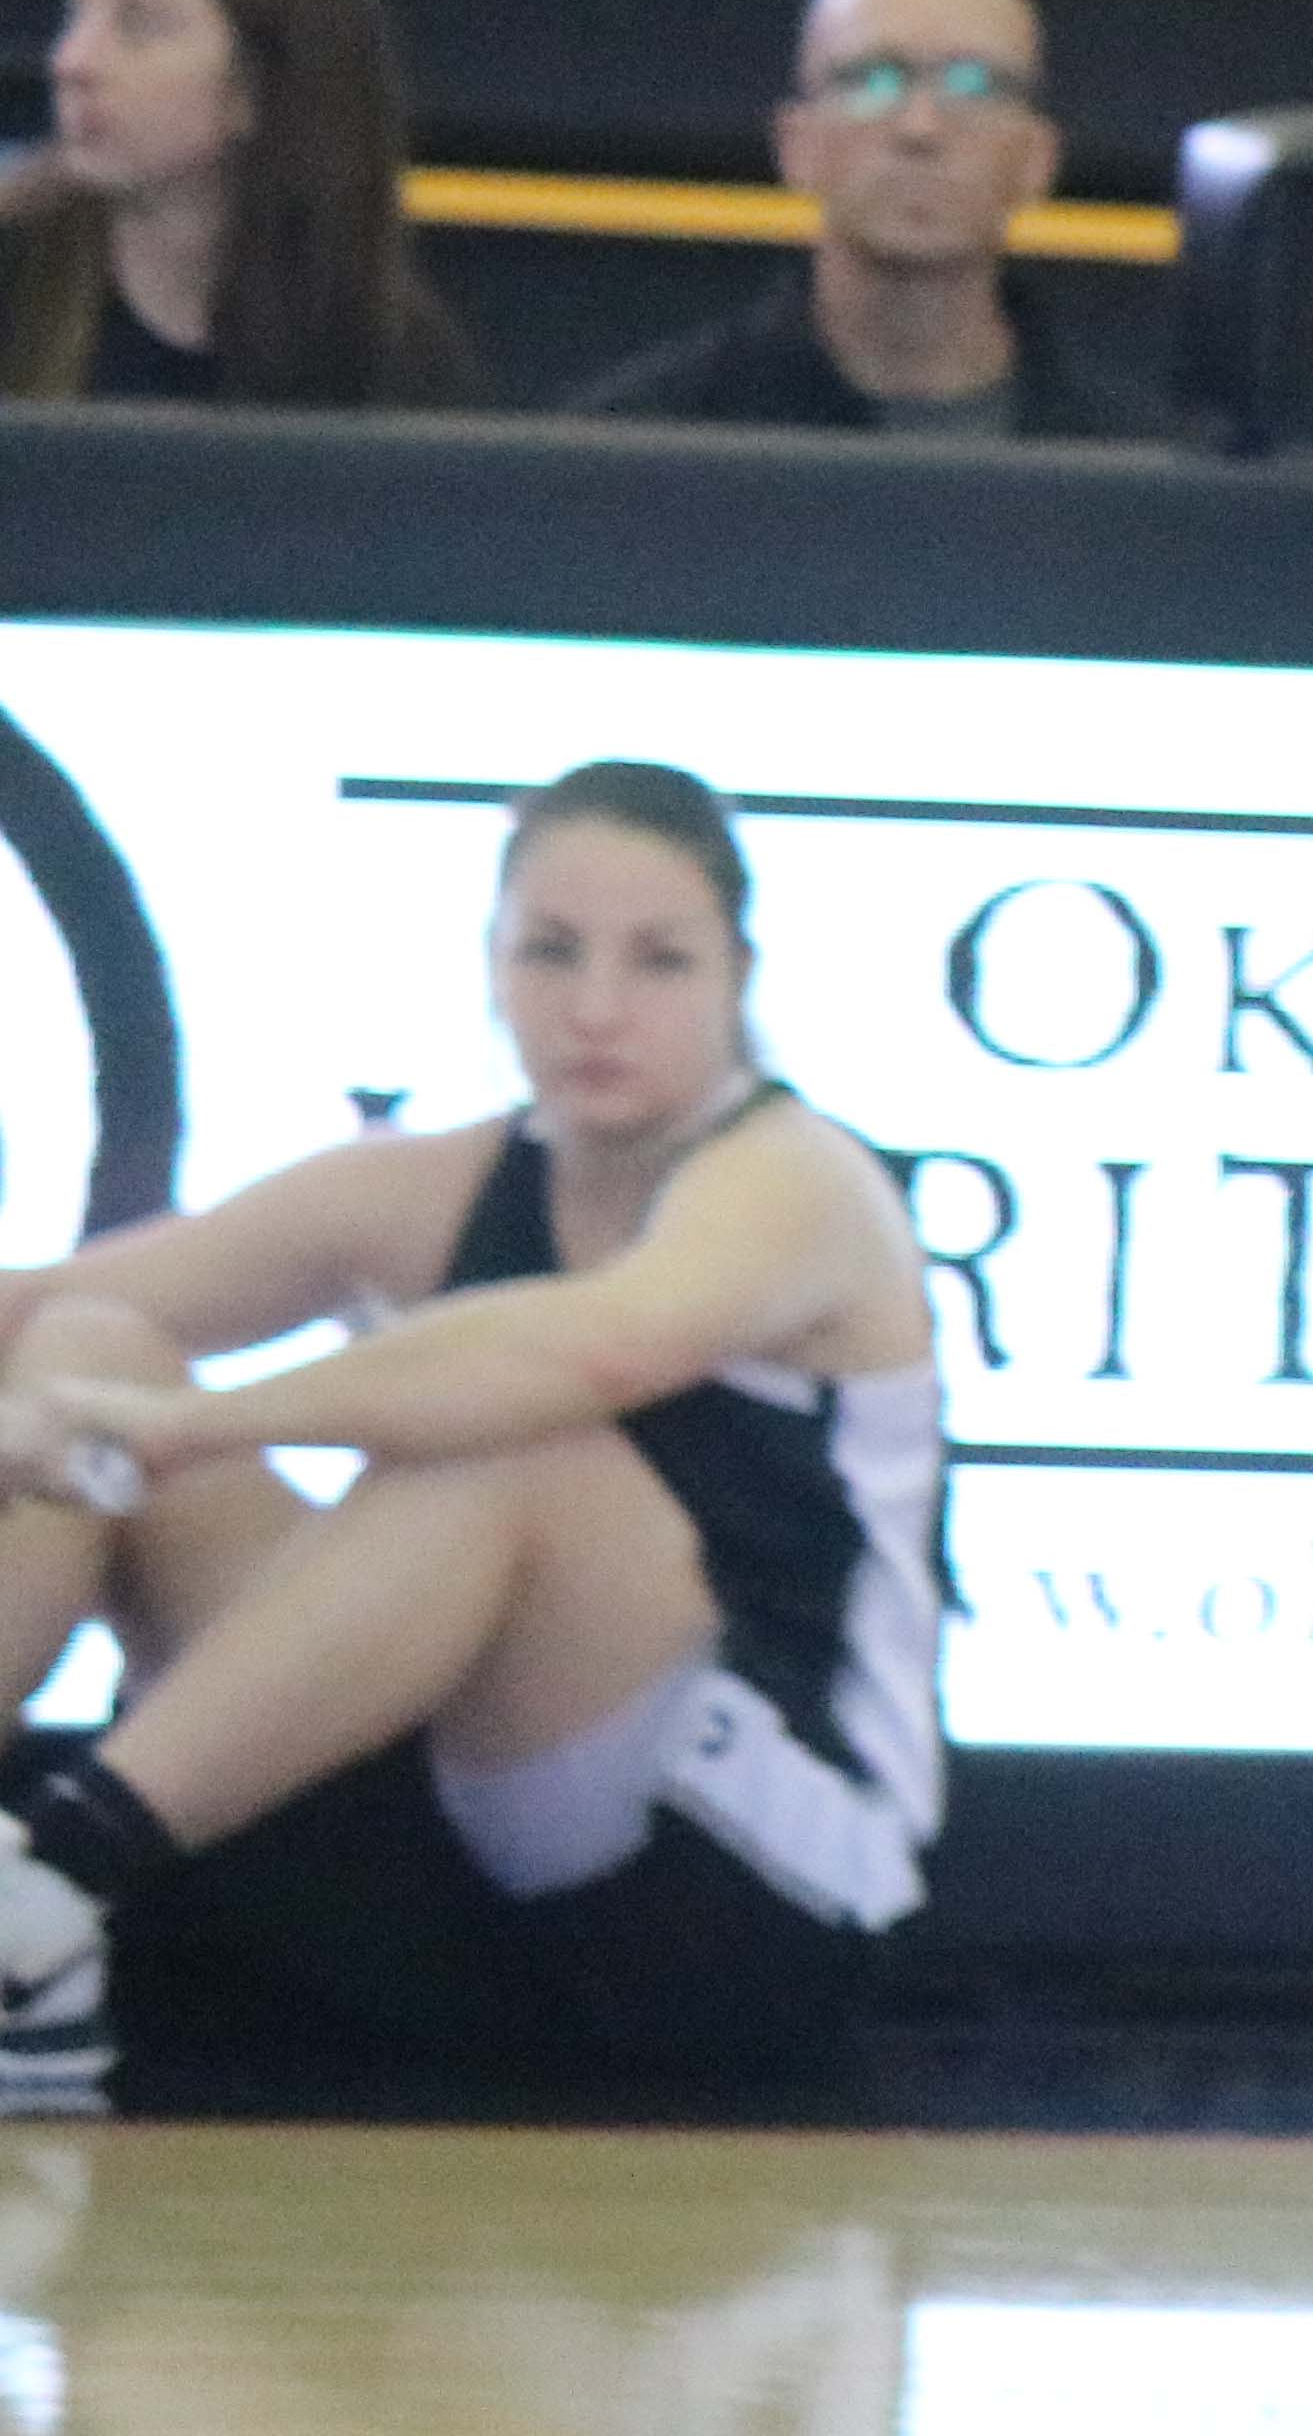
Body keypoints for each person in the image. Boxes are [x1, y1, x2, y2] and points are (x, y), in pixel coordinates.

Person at [0, 760, 945, 2111]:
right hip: (445, 1873)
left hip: (743, 1906)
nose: (595, 1007)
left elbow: (592, 1352)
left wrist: (191, 1425)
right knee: (84, 1343)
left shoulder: (801, 1184)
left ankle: (42, 1886)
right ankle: (30, 1955)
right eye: (551, 952)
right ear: (493, 966)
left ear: (739, 976)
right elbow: (40, 1306)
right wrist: (62, 1415)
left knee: (516, 1443)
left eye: (659, 960)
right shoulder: (436, 1184)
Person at [568, 0, 1159, 438]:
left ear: (1038, 157)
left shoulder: (1140, 476)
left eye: (975, 85)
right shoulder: (636, 450)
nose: (921, 128)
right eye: (872, 80)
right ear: (796, 144)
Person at [0, 0, 473, 406]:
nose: (72, 62)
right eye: (77, 11)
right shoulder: (16, 270)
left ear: (256, 88)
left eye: (137, 23)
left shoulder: (387, 353)